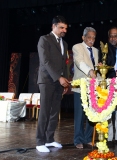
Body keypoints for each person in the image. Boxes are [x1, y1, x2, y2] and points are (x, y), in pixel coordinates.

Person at [36, 15, 69, 153]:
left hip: (58, 82)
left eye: (65, 28)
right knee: (45, 111)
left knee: (54, 112)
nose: (64, 30)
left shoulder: (64, 43)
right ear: (53, 26)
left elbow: (64, 64)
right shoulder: (44, 39)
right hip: (47, 80)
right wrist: (59, 78)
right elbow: (45, 62)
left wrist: (65, 81)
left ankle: (49, 139)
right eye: (61, 27)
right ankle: (40, 141)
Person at [72, 27, 99, 149]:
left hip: (93, 88)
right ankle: (78, 139)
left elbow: (96, 69)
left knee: (91, 115)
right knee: (80, 115)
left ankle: (88, 138)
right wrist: (90, 71)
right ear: (83, 37)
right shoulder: (77, 47)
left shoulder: (96, 51)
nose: (91, 40)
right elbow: (79, 62)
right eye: (89, 38)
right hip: (80, 87)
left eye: (93, 38)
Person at [99, 27, 117, 144]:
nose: (113, 38)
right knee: (108, 111)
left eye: (116, 36)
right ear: (108, 37)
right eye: (111, 36)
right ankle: (108, 138)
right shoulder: (104, 49)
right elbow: (101, 65)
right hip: (108, 83)